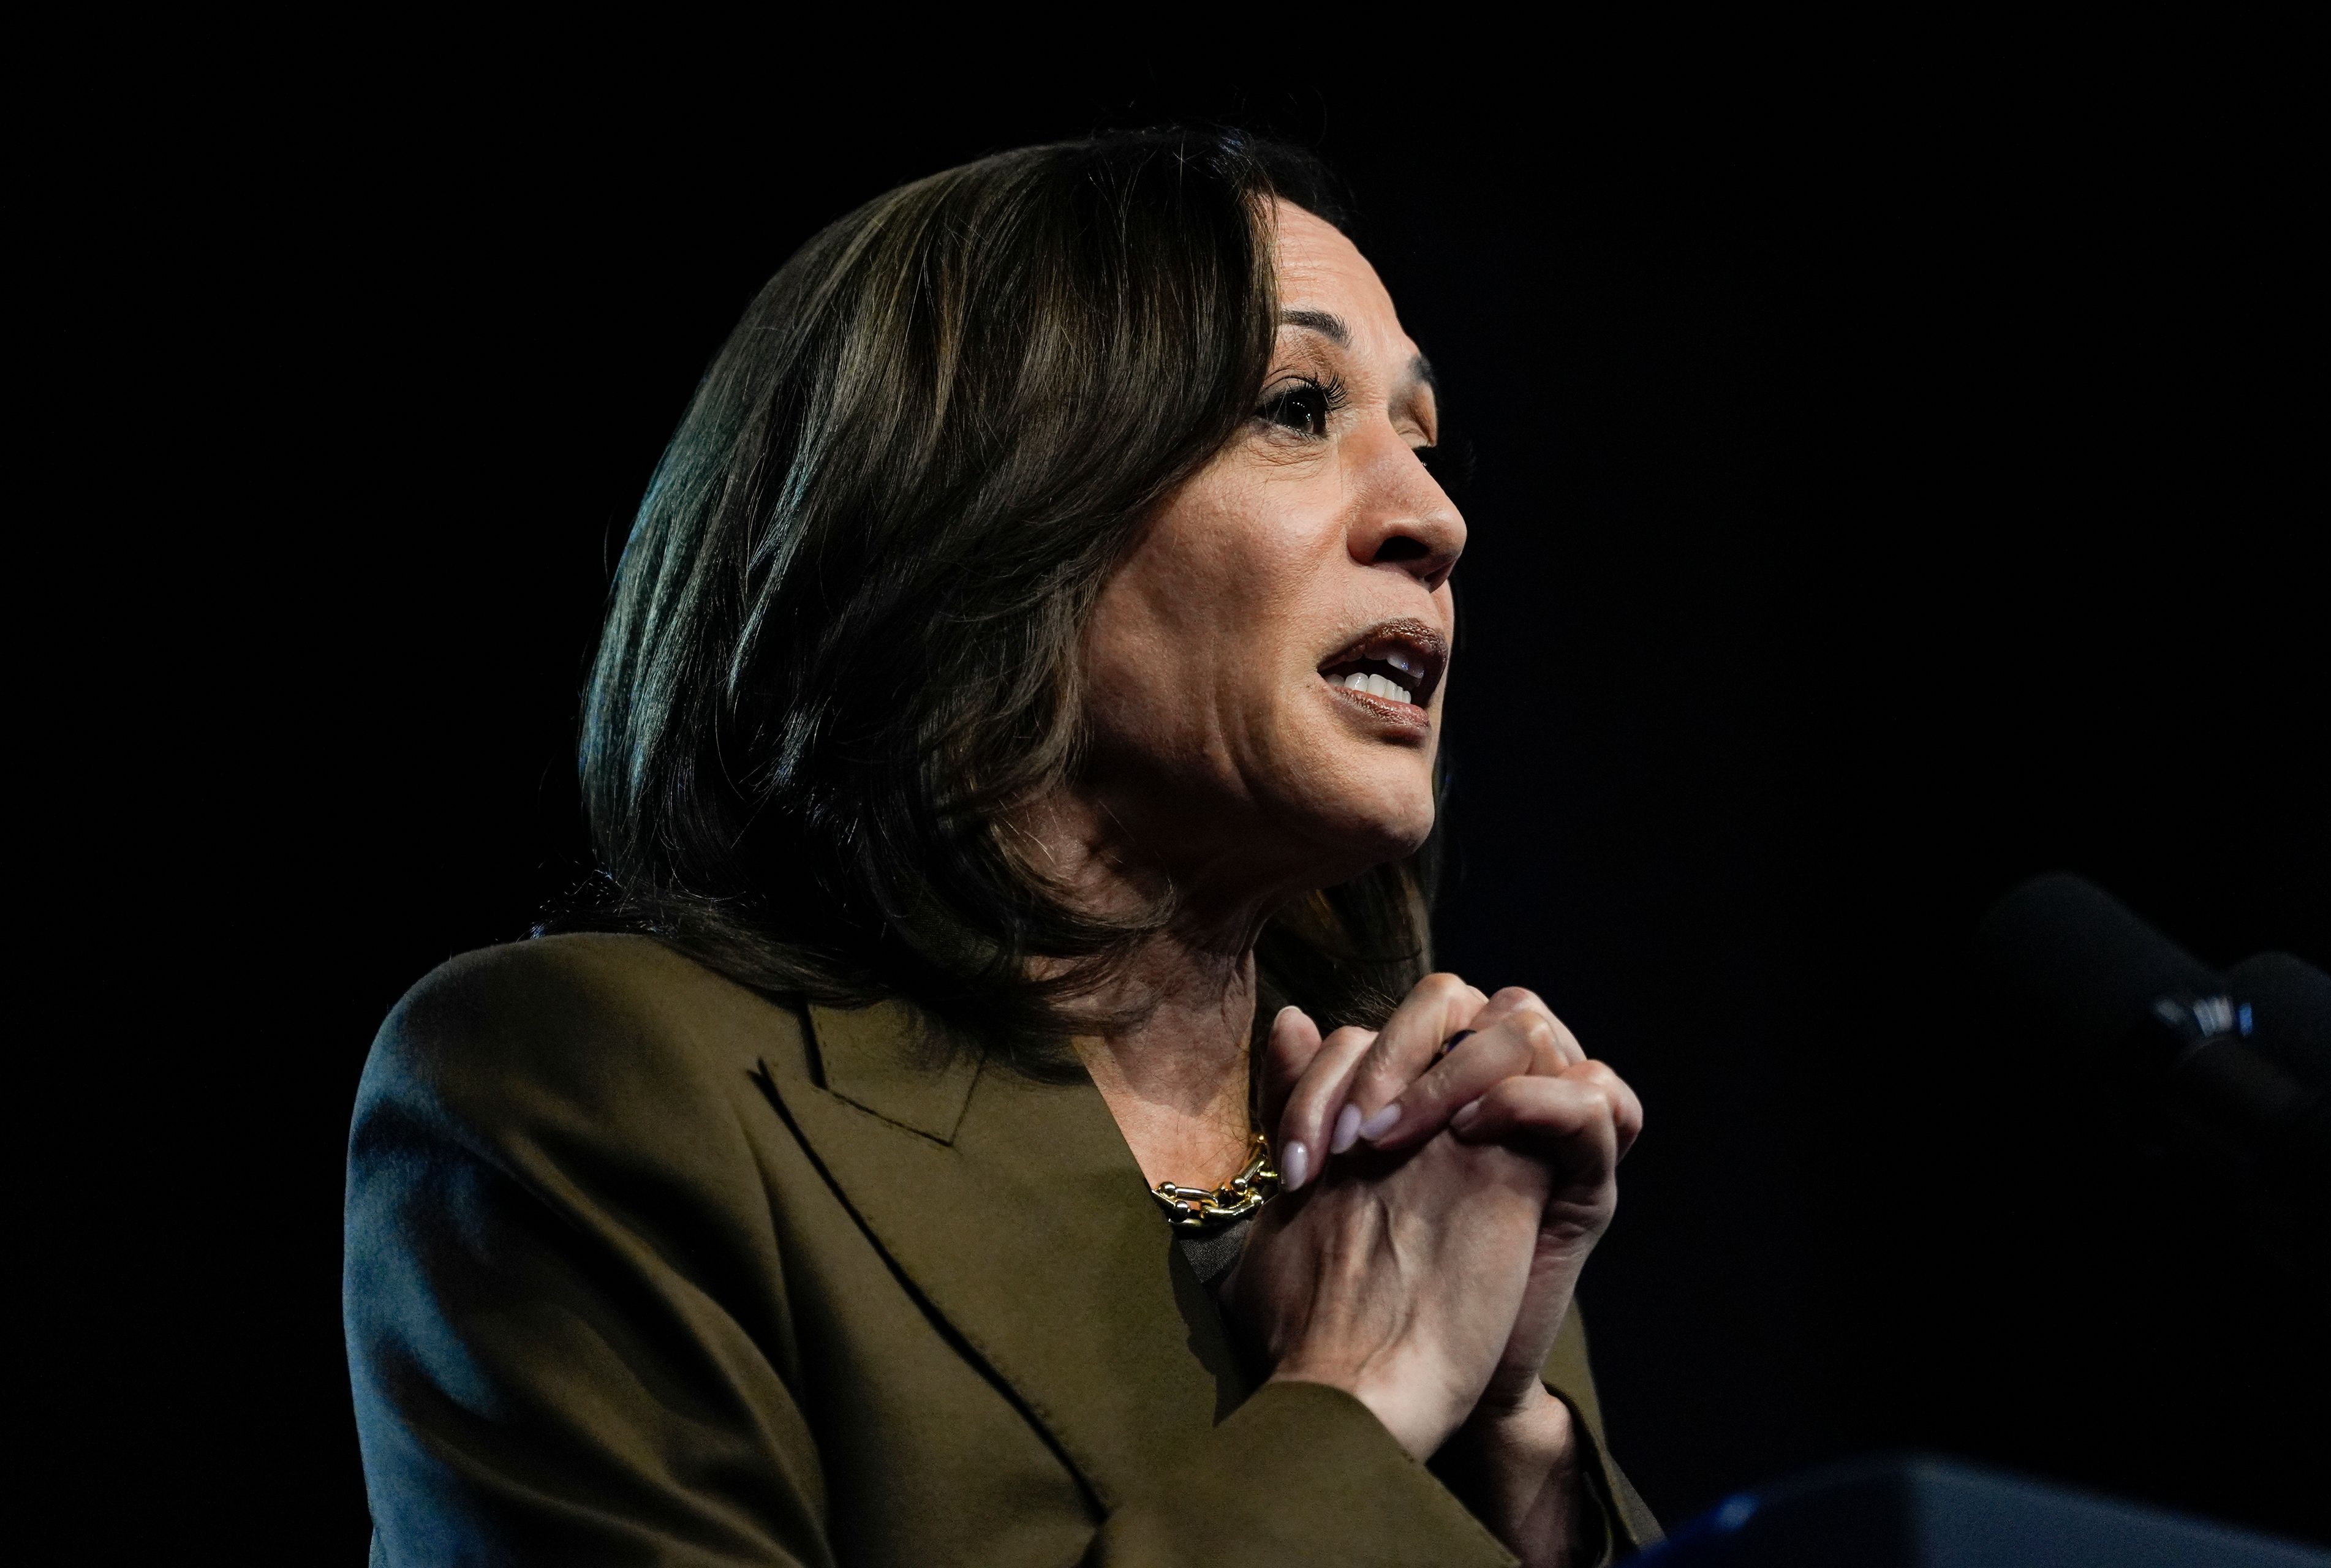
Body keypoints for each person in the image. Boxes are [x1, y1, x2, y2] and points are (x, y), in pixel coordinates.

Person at [344, 129, 1663, 1567]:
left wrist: (1522, 1450)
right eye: (1295, 406)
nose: (1435, 517)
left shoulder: (1422, 1168)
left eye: (1419, 438)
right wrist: (1347, 1402)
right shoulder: (591, 1084)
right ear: (983, 507)